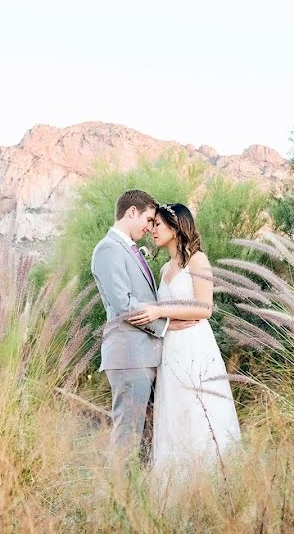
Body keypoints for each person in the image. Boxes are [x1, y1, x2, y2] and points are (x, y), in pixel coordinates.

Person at [129, 202, 241, 484]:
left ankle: (208, 484)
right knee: (173, 412)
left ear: (176, 227)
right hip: (170, 349)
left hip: (194, 346)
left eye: (158, 224)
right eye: (151, 224)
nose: (152, 229)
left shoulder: (198, 261)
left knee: (197, 410)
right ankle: (175, 487)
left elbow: (204, 309)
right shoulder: (166, 266)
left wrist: (159, 311)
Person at [90, 190, 197, 461]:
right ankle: (118, 499)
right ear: (132, 213)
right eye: (148, 219)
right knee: (127, 437)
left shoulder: (127, 250)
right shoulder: (108, 249)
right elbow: (124, 305)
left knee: (146, 438)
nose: (149, 227)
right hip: (129, 358)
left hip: (145, 356)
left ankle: (139, 500)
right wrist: (167, 325)